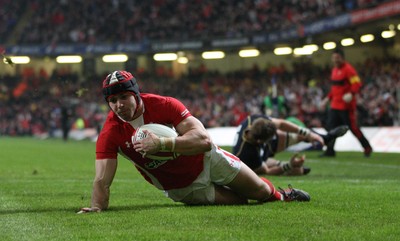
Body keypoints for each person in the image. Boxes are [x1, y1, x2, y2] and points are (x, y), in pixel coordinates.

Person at [78, 71, 310, 213]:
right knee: (239, 201)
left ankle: (283, 196)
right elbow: (101, 179)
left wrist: (162, 144)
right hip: (182, 188)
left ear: (136, 94)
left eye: (124, 97)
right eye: (113, 100)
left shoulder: (165, 105)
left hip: (207, 160)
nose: (119, 105)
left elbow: (204, 140)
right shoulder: (110, 133)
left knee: (259, 191)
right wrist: (97, 207)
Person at [232, 115, 348, 176]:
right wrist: (289, 165)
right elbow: (266, 171)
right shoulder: (246, 155)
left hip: (259, 146)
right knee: (294, 171)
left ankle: (325, 138)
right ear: (261, 142)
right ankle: (291, 167)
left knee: (301, 136)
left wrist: (308, 133)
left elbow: (281, 123)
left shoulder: (253, 120)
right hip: (253, 160)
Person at [320, 48, 372, 157]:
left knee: (353, 128)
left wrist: (351, 94)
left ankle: (367, 147)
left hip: (346, 106)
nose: (335, 60)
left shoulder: (349, 69)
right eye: (334, 58)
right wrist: (326, 99)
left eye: (337, 58)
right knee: (331, 128)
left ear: (342, 58)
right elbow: (334, 89)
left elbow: (357, 83)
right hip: (335, 105)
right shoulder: (334, 70)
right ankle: (330, 151)